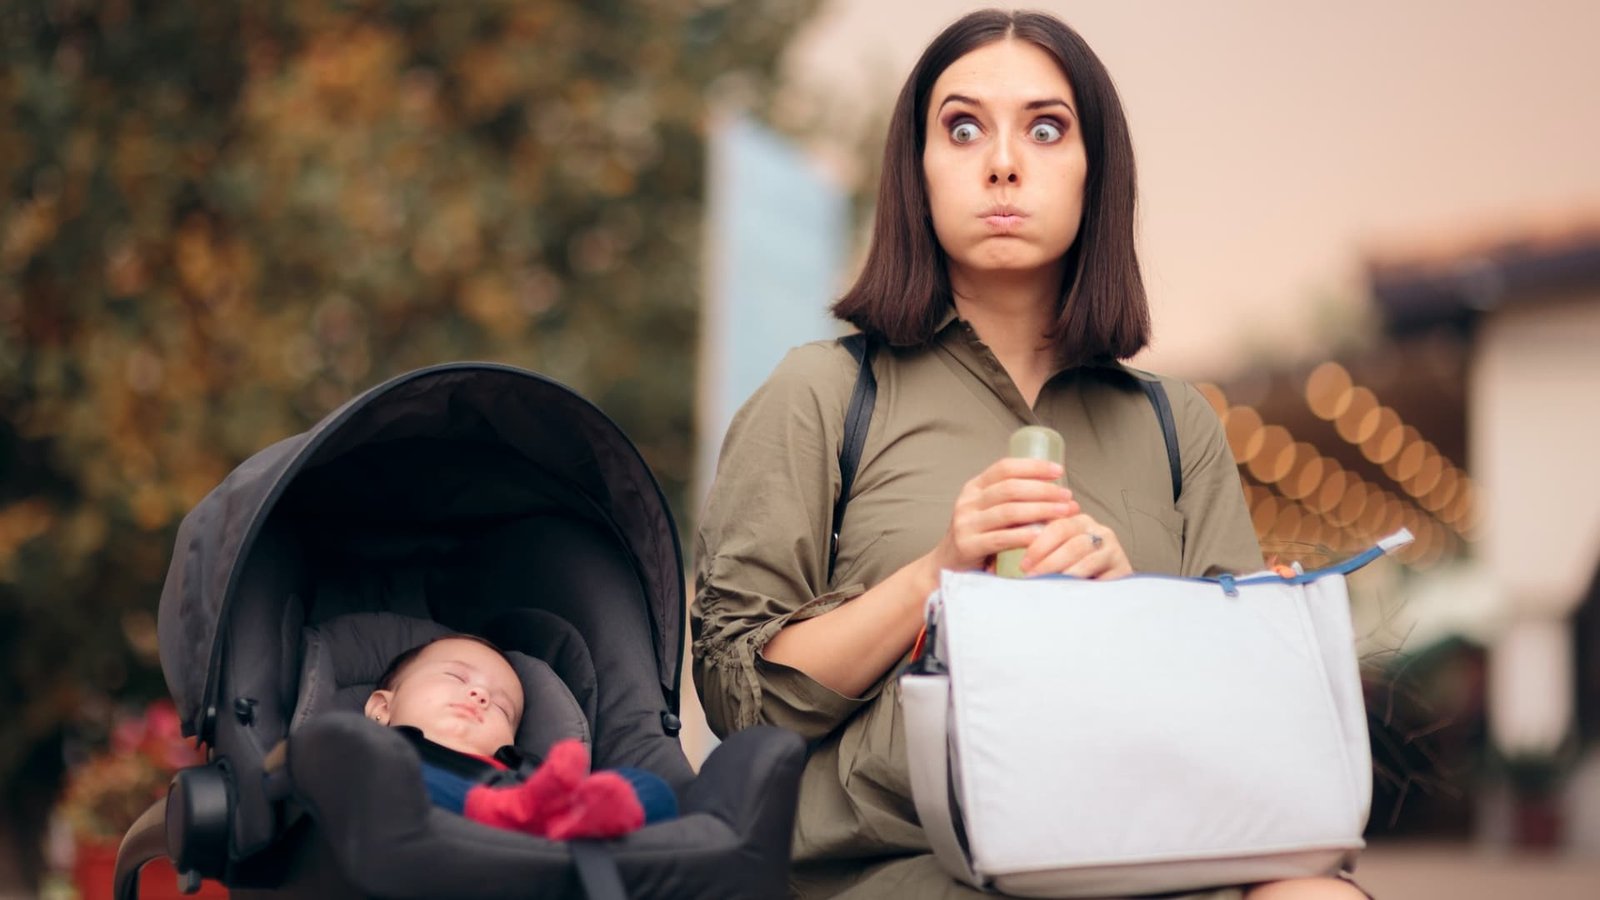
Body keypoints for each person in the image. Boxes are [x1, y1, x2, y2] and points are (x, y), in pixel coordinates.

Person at [693, 9, 1366, 899]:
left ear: (1096, 172)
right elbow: (738, 699)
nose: (1003, 163)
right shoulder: (823, 393)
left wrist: (1129, 612)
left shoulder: (1176, 426)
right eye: (962, 128)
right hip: (904, 868)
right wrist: (936, 577)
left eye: (1046, 129)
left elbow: (1241, 732)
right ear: (916, 171)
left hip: (1132, 859)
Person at [364, 634, 676, 840]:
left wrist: (582, 802)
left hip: (531, 844)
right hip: (419, 832)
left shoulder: (527, 772)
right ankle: (505, 812)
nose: (481, 694)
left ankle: (578, 821)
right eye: (455, 676)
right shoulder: (374, 750)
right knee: (365, 765)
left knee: (650, 787)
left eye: (503, 708)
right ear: (382, 707)